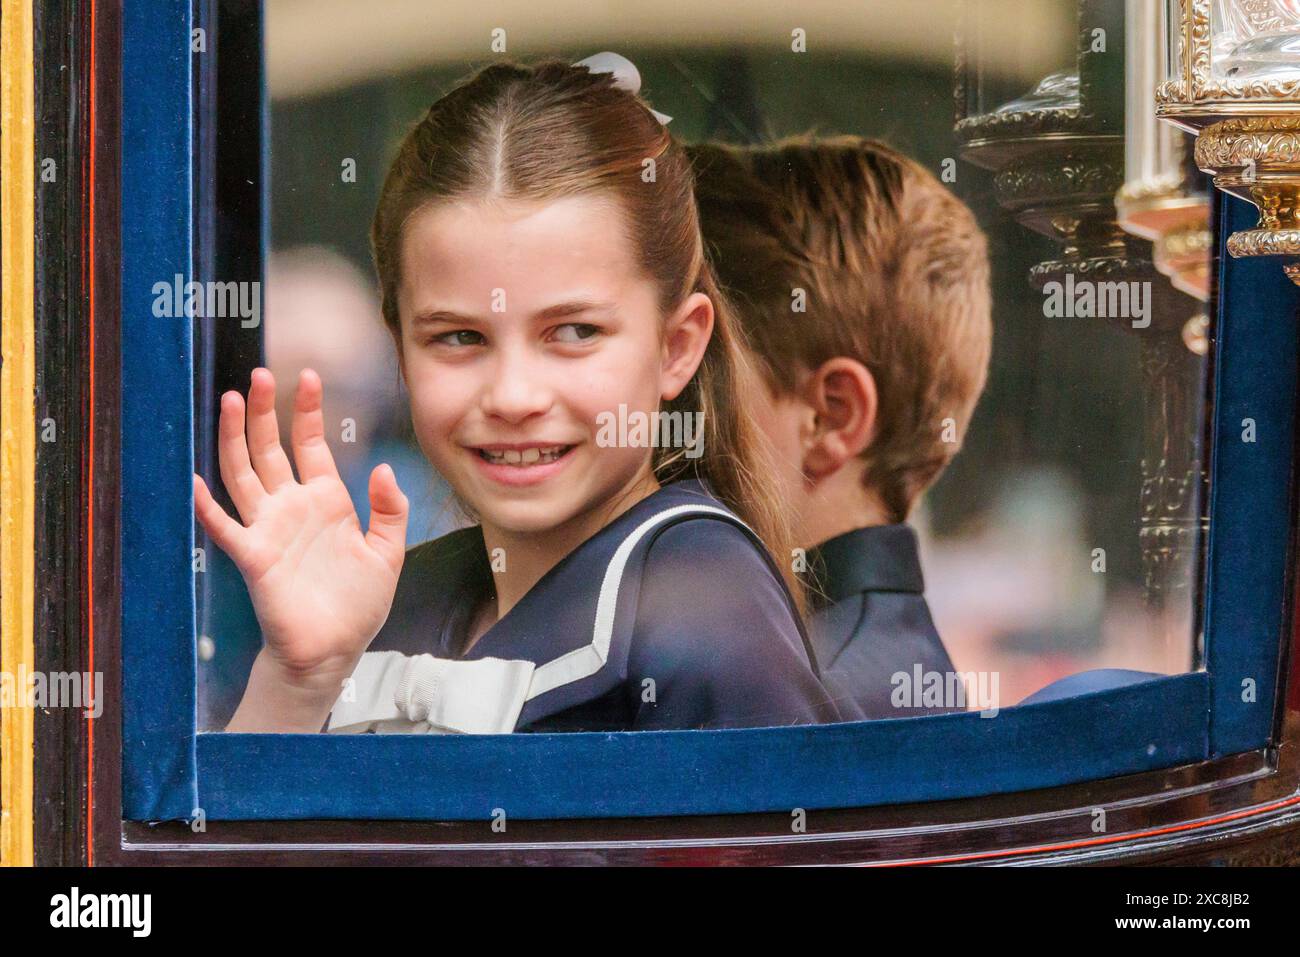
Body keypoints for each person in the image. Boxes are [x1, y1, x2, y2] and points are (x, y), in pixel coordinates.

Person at [193, 55, 842, 734]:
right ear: (401, 355)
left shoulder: (708, 614)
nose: (512, 395)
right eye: (459, 338)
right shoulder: (392, 599)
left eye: (573, 331)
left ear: (677, 348)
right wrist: (299, 678)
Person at [689, 136, 993, 719]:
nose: (660, 405)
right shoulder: (863, 665)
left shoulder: (795, 702)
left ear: (830, 417)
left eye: (702, 367)